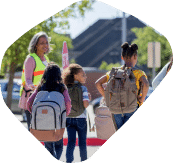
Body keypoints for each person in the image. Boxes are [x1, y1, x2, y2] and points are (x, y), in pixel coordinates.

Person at [95, 42, 149, 130]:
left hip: (115, 108)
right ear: (135, 56)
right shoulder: (139, 73)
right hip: (132, 107)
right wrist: (142, 99)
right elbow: (146, 84)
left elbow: (97, 83)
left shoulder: (113, 72)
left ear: (122, 57)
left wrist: (107, 97)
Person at [26, 63, 71, 160]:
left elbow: (29, 103)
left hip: (43, 121)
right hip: (58, 121)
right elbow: (68, 104)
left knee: (49, 146)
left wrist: (34, 114)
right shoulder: (62, 88)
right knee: (59, 145)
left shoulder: (40, 87)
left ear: (45, 74)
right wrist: (64, 115)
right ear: (59, 75)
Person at [18, 31, 50, 131]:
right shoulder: (30, 59)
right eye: (42, 43)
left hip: (44, 98)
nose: (45, 45)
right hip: (31, 98)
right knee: (33, 129)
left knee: (42, 129)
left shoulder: (46, 59)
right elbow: (27, 79)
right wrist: (33, 86)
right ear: (35, 45)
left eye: (46, 42)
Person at [62, 63, 91, 163]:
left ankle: (69, 161)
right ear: (75, 76)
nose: (85, 77)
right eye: (83, 75)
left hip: (69, 118)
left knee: (71, 143)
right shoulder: (83, 88)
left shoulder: (65, 88)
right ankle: (83, 160)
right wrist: (89, 99)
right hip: (81, 119)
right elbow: (86, 104)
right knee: (82, 143)